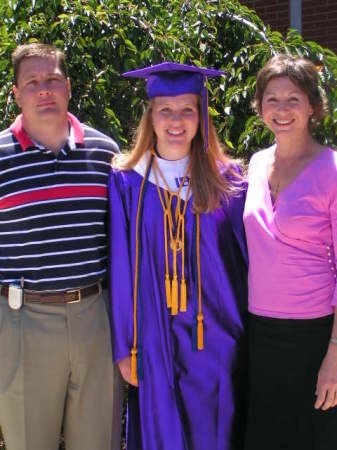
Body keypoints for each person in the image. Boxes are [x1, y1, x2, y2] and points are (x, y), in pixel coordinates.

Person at [109, 62, 248, 450]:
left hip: (214, 336)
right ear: (150, 116)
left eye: (187, 109)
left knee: (213, 431)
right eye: (165, 110)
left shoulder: (229, 181)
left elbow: (246, 262)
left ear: (201, 116)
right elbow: (121, 269)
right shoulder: (126, 181)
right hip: (152, 339)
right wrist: (125, 347)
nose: (176, 120)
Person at [0, 43, 123, 450]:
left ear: (68, 87)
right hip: (22, 322)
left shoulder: (105, 154)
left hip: (94, 319)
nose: (44, 90)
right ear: (16, 93)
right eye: (32, 82)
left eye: (52, 79)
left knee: (98, 442)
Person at [243, 54, 337, 450]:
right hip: (259, 333)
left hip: (314, 338)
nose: (281, 110)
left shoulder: (332, 170)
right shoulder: (256, 162)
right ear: (260, 106)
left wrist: (335, 356)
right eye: (272, 99)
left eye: (293, 99)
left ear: (313, 106)